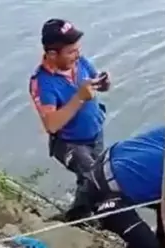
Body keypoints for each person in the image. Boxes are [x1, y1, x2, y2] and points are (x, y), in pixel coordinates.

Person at [29, 18, 111, 217]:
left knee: (89, 178)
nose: (77, 54)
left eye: (77, 49)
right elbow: (52, 124)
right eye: (71, 51)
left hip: (95, 134)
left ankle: (80, 216)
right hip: (69, 143)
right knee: (95, 176)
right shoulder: (43, 82)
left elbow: (96, 83)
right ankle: (81, 218)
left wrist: (104, 83)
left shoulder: (79, 62)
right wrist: (80, 97)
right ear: (51, 54)